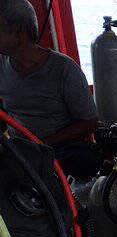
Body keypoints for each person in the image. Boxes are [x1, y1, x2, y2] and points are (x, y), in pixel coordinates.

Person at [0, 0, 99, 178]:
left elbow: (89, 122)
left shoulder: (64, 69)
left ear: (19, 32)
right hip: (18, 149)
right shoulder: (1, 64)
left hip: (60, 149)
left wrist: (42, 144)